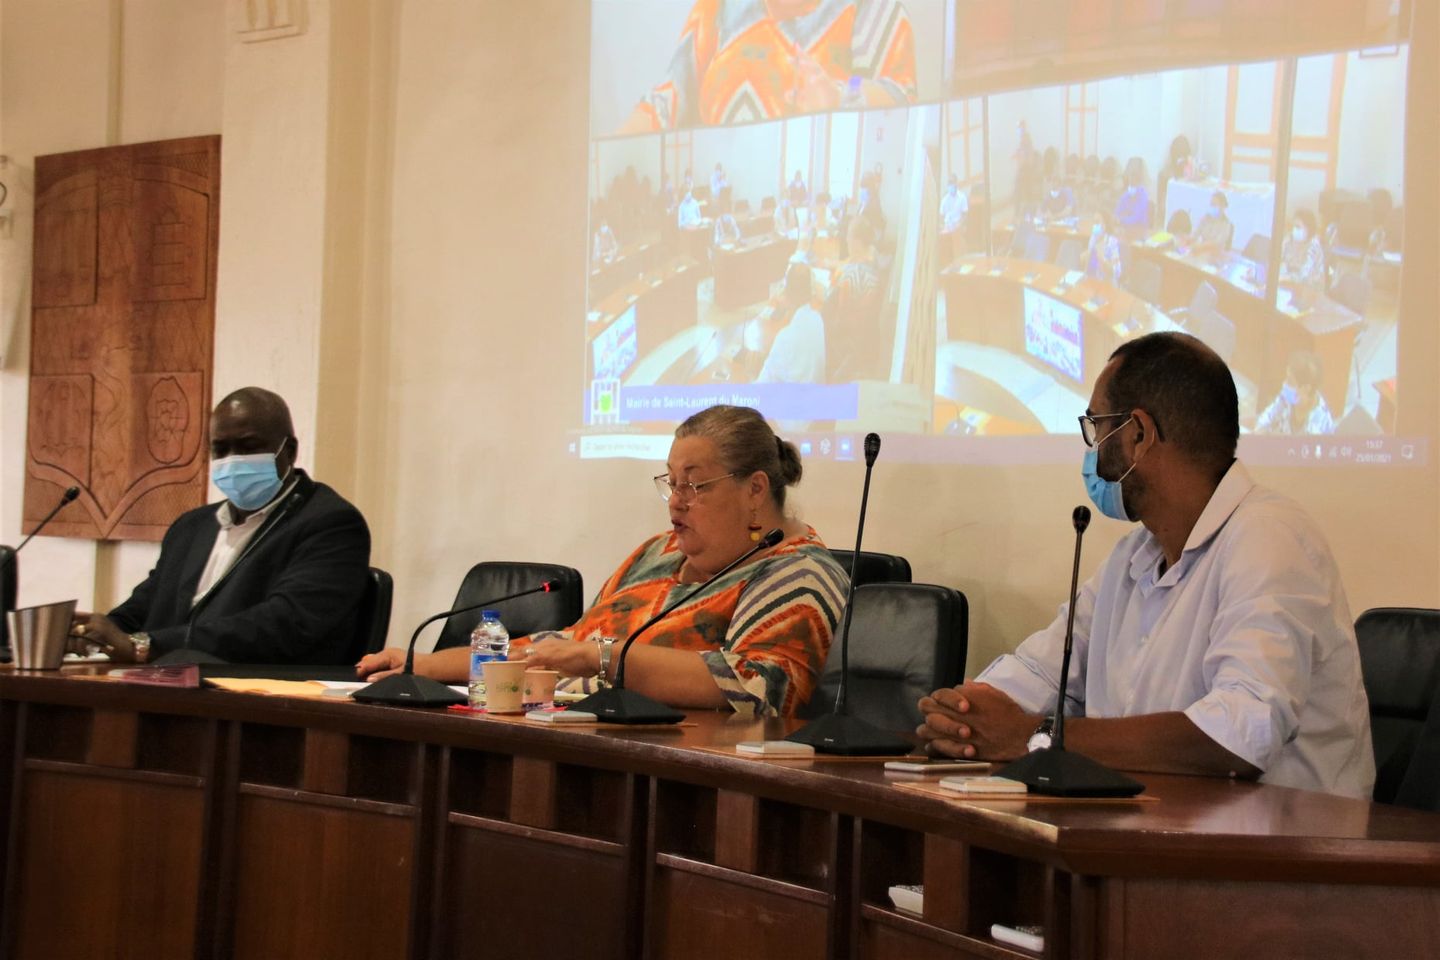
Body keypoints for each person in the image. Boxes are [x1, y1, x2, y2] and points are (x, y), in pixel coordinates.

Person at [917, 332, 1374, 798]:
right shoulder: (1135, 556)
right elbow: (1040, 674)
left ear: (1138, 435)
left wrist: (1035, 737)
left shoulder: (1270, 538)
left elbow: (1240, 736)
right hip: (1155, 838)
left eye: (1097, 427)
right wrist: (963, 719)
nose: (1092, 449)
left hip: (1279, 855)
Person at [359, 406, 848, 717]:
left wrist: (605, 659)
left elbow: (760, 688)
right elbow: (567, 645)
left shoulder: (798, 573)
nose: (676, 502)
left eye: (694, 485)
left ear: (755, 489)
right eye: (671, 483)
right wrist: (425, 666)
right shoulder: (658, 553)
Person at [69, 388, 371, 665]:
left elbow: (283, 625)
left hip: (262, 699)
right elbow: (145, 607)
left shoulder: (330, 524)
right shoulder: (191, 527)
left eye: (248, 446)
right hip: (170, 690)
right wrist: (94, 633)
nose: (232, 460)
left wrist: (146, 645)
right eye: (220, 449)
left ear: (289, 451)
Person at [619, 0, 916, 132]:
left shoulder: (872, 7)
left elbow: (899, 96)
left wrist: (842, 94)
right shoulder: (719, 5)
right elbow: (670, 96)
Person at [823, 217, 882, 381]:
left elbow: (841, 313)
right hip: (867, 329)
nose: (846, 239)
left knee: (821, 313)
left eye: (849, 235)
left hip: (852, 326)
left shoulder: (850, 273)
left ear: (856, 241)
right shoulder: (872, 257)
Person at [757, 264, 826, 383]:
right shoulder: (818, 320)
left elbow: (763, 385)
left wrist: (751, 371)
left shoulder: (785, 337)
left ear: (786, 296)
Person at [1255, 351, 1336, 435]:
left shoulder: (1320, 425)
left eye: (1290, 381)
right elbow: (1267, 417)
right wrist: (1260, 430)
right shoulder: (1286, 398)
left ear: (1305, 389)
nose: (1285, 384)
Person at [1279, 210, 1326, 294]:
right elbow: (1279, 260)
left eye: (1298, 227)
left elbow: (1304, 276)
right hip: (1289, 285)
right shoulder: (1288, 239)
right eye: (1293, 226)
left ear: (1309, 229)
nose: (1294, 229)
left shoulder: (1314, 247)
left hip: (1311, 290)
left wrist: (1285, 277)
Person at [1086, 210, 1123, 286]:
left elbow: (1117, 272)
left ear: (1105, 225)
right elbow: (1089, 264)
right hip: (1091, 280)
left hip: (1106, 283)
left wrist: (1102, 259)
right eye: (1093, 222)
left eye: (1097, 222)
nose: (1094, 225)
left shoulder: (1112, 242)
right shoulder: (1093, 238)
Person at [1113, 159, 1150, 233]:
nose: (1131, 183)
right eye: (1130, 182)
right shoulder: (1126, 195)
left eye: (1134, 182)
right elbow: (1117, 211)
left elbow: (1137, 218)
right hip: (1124, 229)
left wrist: (1121, 220)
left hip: (1139, 230)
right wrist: (1117, 218)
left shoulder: (1143, 195)